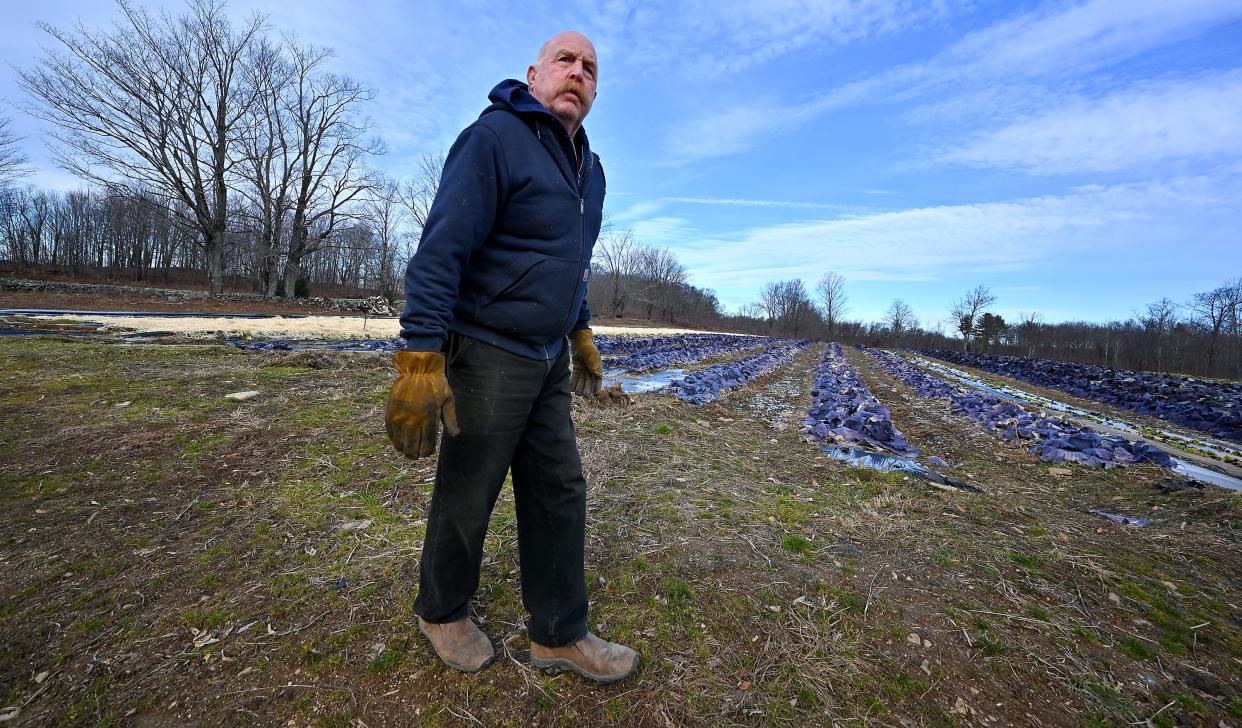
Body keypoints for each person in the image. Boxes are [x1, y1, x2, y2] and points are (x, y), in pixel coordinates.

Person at [384, 31, 639, 684]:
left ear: (595, 90)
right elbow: (442, 250)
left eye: (589, 67)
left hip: (548, 358)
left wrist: (579, 333)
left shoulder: (592, 170)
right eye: (565, 61)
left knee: (559, 489)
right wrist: (419, 359)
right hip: (489, 351)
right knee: (470, 489)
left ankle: (558, 633)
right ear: (534, 74)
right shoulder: (494, 138)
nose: (577, 73)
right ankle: (440, 611)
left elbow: (572, 267)